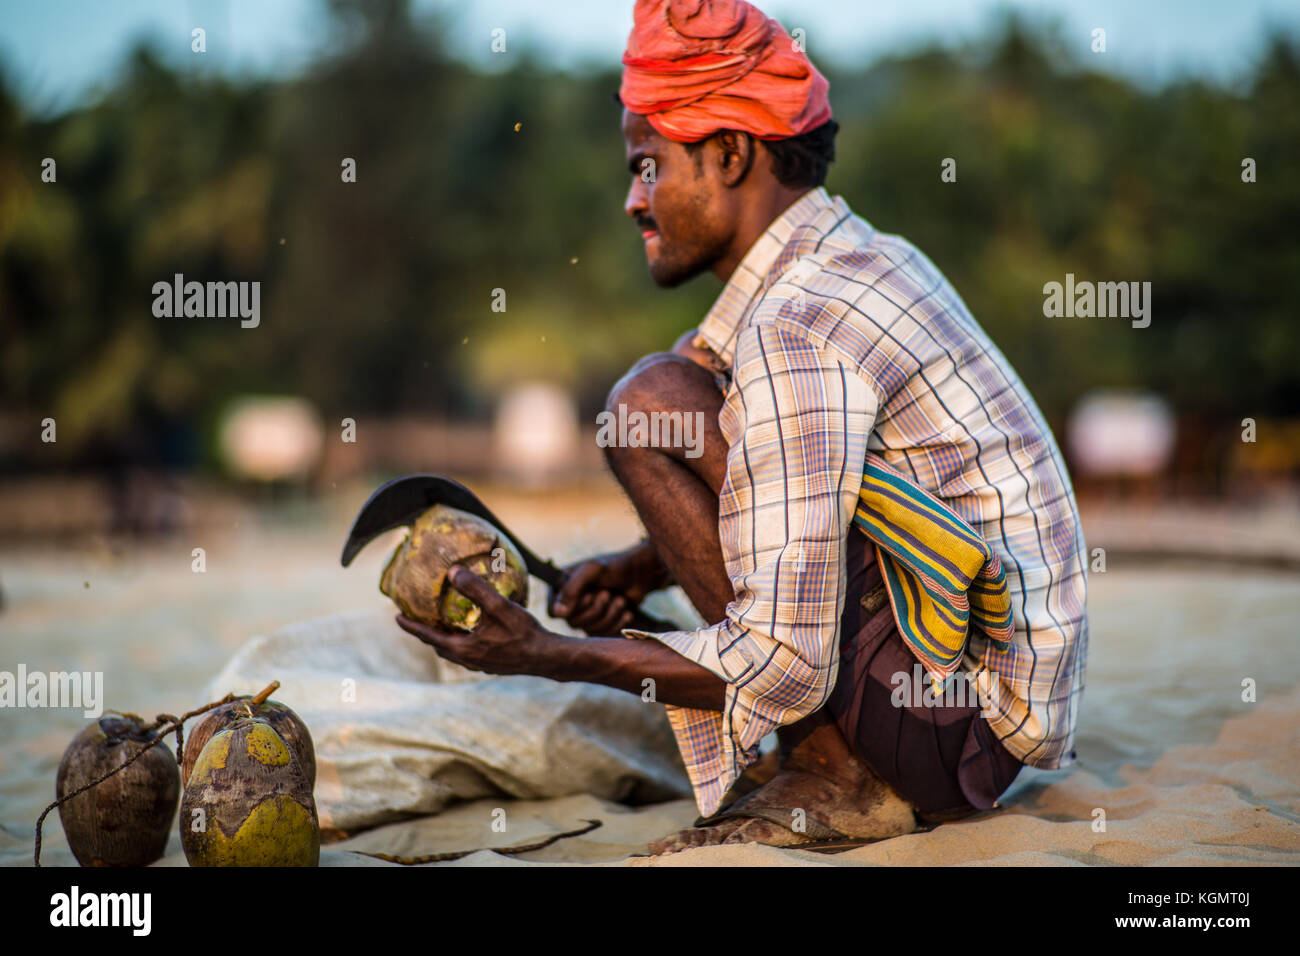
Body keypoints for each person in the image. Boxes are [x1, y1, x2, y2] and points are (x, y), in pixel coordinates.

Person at [397, 0, 1089, 854]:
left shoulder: (798, 323)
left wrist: (548, 654)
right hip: (966, 700)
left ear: (729, 154)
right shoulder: (855, 258)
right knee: (672, 391)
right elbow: (800, 486)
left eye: (647, 167)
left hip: (959, 725)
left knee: (649, 404)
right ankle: (835, 758)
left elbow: (787, 663)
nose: (632, 202)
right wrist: (639, 565)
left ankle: (839, 777)